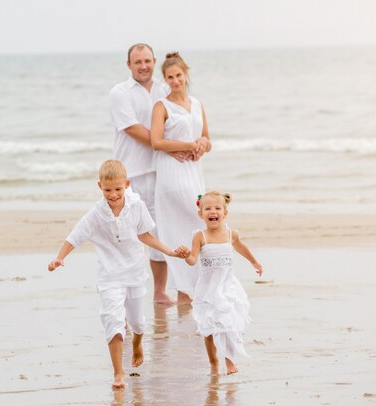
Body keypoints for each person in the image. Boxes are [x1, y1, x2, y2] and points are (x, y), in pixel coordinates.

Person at [47, 160, 188, 389]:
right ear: (99, 187)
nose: (113, 195)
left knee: (138, 323)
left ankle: (138, 342)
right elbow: (76, 235)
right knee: (113, 320)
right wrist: (60, 257)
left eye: (118, 189)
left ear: (127, 185)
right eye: (107, 190)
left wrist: (170, 251)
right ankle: (118, 373)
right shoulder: (96, 214)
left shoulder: (136, 206)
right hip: (109, 276)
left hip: (133, 271)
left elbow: (146, 236)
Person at [109, 43, 182, 306]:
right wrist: (168, 145)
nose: (143, 66)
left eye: (148, 61)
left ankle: (160, 292)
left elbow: (178, 120)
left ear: (154, 62)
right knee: (128, 235)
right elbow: (133, 129)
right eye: (138, 62)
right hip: (131, 174)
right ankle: (124, 294)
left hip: (161, 171)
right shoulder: (120, 93)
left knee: (157, 233)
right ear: (129, 65)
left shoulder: (164, 89)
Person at [150, 51, 212, 305]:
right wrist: (184, 144)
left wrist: (200, 146)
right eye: (170, 77)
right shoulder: (161, 106)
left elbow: (207, 138)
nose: (175, 81)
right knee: (182, 226)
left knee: (195, 224)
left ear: (186, 75)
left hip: (194, 171)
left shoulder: (197, 104)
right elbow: (156, 142)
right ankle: (184, 291)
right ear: (165, 79)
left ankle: (194, 289)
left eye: (178, 75)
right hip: (171, 173)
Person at [183, 191, 262, 376]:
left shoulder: (230, 234)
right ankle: (213, 362)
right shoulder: (199, 236)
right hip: (207, 288)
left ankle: (230, 362)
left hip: (227, 286)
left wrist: (254, 261)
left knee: (229, 324)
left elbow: (241, 247)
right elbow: (193, 259)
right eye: (208, 208)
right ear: (201, 214)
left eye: (217, 208)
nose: (213, 211)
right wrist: (186, 255)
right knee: (208, 327)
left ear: (225, 213)